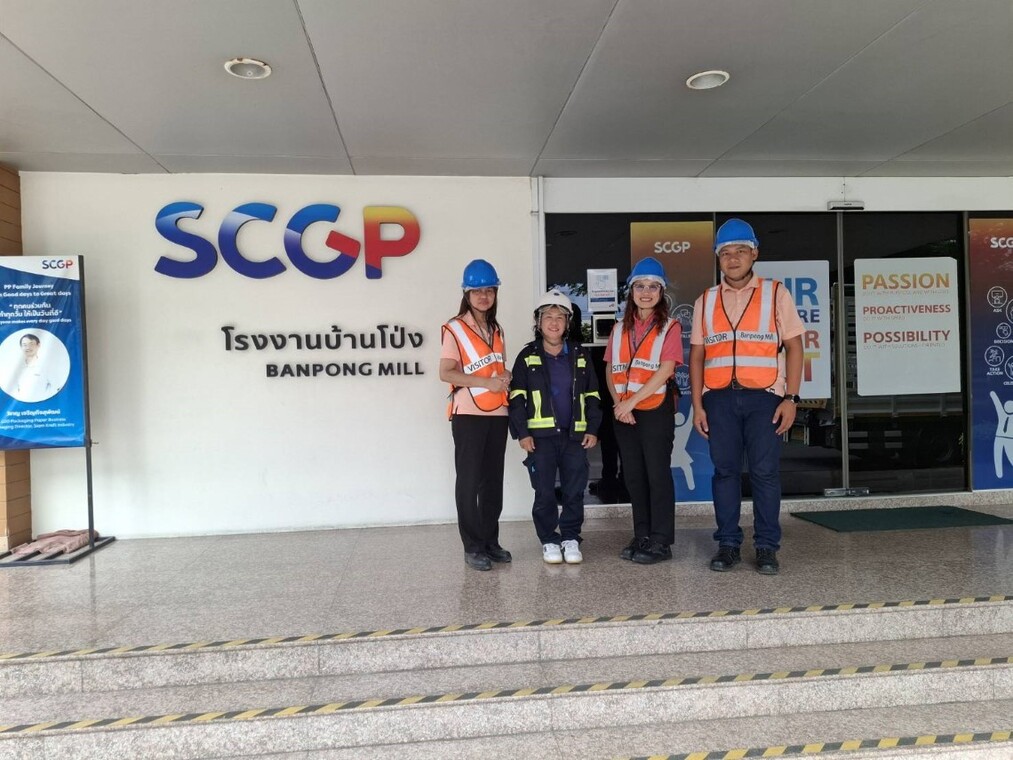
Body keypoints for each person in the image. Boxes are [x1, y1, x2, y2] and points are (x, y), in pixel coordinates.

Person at [689, 218, 804, 576]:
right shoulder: (705, 300)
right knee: (724, 473)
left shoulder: (775, 293)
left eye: (741, 250)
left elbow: (795, 347)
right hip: (719, 399)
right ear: (718, 258)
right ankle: (728, 544)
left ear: (754, 254)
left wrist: (791, 398)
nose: (733, 258)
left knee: (765, 474)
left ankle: (767, 547)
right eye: (726, 252)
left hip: (765, 399)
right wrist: (697, 406)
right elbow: (697, 355)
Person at [509, 290, 601, 564]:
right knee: (544, 491)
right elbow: (516, 398)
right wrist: (522, 433)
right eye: (548, 316)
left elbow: (593, 395)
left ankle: (570, 537)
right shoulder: (527, 356)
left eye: (560, 317)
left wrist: (592, 428)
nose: (554, 322)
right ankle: (549, 539)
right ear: (538, 322)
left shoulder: (580, 355)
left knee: (574, 490)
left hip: (574, 437)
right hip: (540, 438)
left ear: (567, 322)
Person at [606, 257, 683, 565]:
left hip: (654, 410)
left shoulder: (669, 327)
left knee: (657, 475)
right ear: (631, 291)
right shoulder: (618, 329)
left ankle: (661, 540)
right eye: (640, 286)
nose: (646, 292)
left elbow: (665, 370)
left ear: (661, 292)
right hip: (624, 413)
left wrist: (630, 402)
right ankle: (642, 535)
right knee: (634, 477)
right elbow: (611, 369)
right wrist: (619, 404)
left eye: (653, 287)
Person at [439, 260, 512, 571]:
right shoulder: (454, 328)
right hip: (468, 414)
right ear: (466, 294)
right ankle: (472, 546)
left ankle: (490, 541)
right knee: (469, 482)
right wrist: (485, 382)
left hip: (498, 412)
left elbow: (497, 367)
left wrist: (505, 375)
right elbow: (446, 372)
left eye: (489, 290)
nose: (484, 296)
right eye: (477, 291)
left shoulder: (497, 329)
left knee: (493, 482)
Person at [15, 333, 57, 402]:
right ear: (21, 347)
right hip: (21, 406)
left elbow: (54, 387)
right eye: (24, 345)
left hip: (43, 405)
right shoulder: (16, 368)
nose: (28, 347)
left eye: (31, 344)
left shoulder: (46, 365)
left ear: (38, 345)